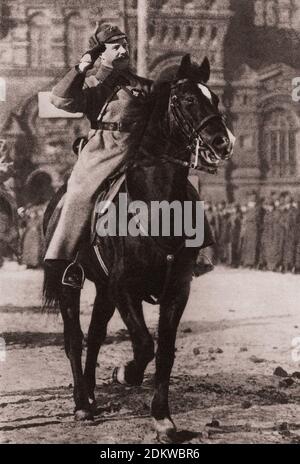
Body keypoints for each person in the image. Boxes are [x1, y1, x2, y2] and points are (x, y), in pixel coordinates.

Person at [44, 24, 155, 287]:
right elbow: (59, 101)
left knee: (179, 185)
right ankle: (67, 262)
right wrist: (82, 68)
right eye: (115, 47)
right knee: (80, 196)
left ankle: (195, 253)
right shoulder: (92, 84)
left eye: (125, 45)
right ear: (100, 54)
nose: (123, 50)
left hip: (139, 151)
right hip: (102, 151)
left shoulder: (143, 85)